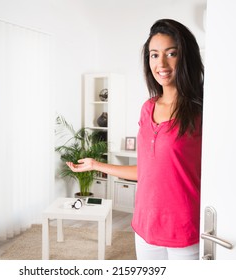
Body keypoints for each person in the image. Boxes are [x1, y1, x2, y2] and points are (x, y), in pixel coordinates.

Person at [67, 19, 203, 260]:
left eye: (171, 53)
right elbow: (146, 171)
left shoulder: (200, 111)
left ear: (186, 57)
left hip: (184, 229)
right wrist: (95, 165)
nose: (161, 63)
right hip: (145, 226)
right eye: (154, 55)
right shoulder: (147, 108)